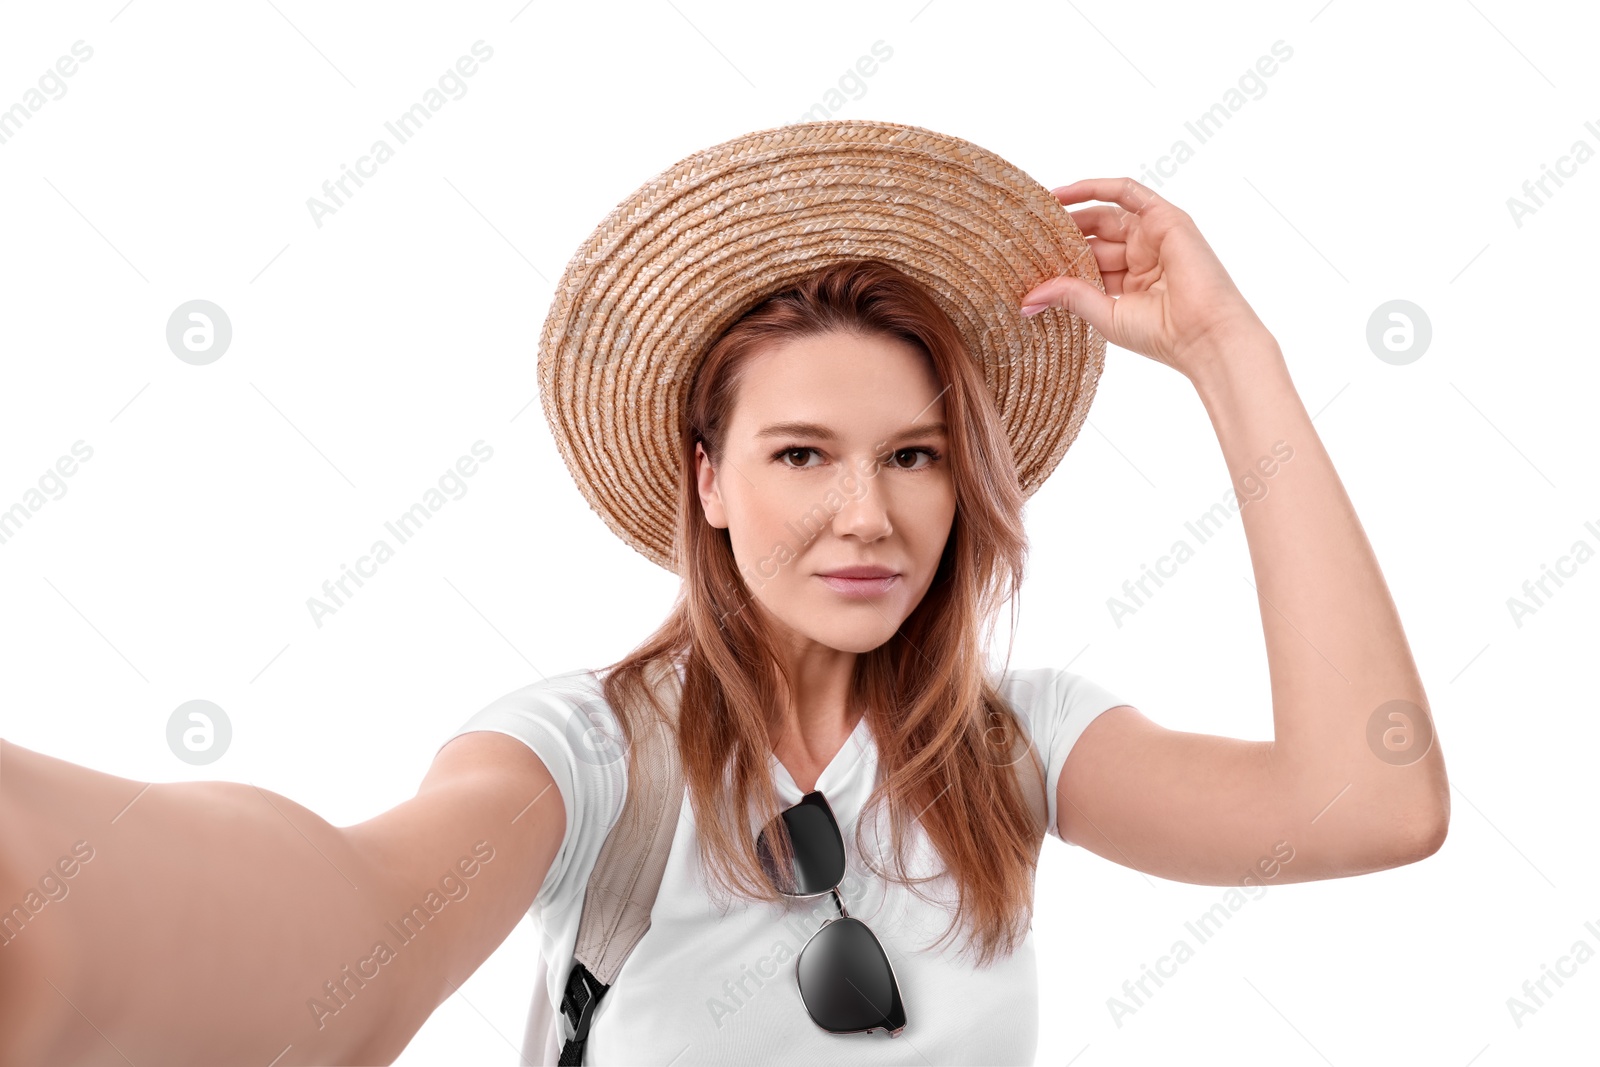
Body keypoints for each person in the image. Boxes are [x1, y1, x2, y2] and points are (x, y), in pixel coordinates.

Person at [0, 122, 1448, 1066]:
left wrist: (1231, 358)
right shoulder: (588, 751)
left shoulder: (1017, 749)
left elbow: (1373, 802)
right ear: (707, 478)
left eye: (917, 456)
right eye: (801, 454)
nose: (867, 516)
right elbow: (364, 924)